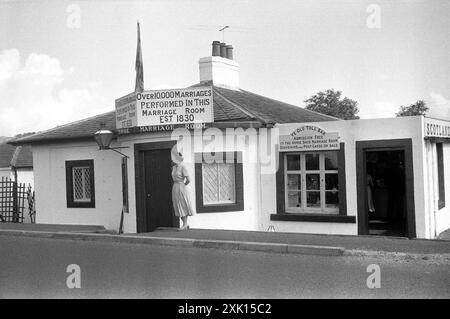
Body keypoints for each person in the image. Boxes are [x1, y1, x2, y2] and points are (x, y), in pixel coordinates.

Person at [171, 148, 194, 230]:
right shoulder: (174, 167)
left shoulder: (183, 166)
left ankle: (184, 224)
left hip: (181, 186)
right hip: (175, 187)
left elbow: (188, 179)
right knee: (177, 205)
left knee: (183, 204)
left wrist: (183, 185)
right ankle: (185, 224)